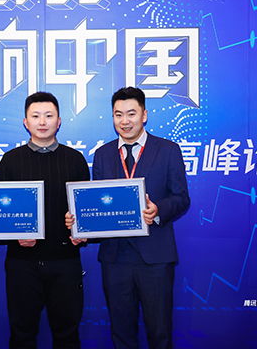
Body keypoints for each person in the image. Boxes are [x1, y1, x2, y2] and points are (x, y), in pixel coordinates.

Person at [67, 87, 190, 349]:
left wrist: (158, 209)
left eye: (131, 114)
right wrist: (81, 224)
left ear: (144, 115)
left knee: (160, 332)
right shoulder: (103, 154)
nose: (125, 121)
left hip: (155, 256)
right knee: (121, 332)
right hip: (115, 257)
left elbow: (181, 198)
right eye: (118, 114)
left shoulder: (168, 150)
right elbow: (98, 203)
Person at [0, 92, 90, 349]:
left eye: (49, 116)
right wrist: (14, 236)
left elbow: (86, 211)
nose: (42, 122)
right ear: (26, 122)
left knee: (67, 335)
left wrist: (83, 231)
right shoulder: (10, 160)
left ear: (59, 121)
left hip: (65, 262)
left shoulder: (75, 159)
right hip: (22, 264)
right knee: (22, 336)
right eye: (35, 116)